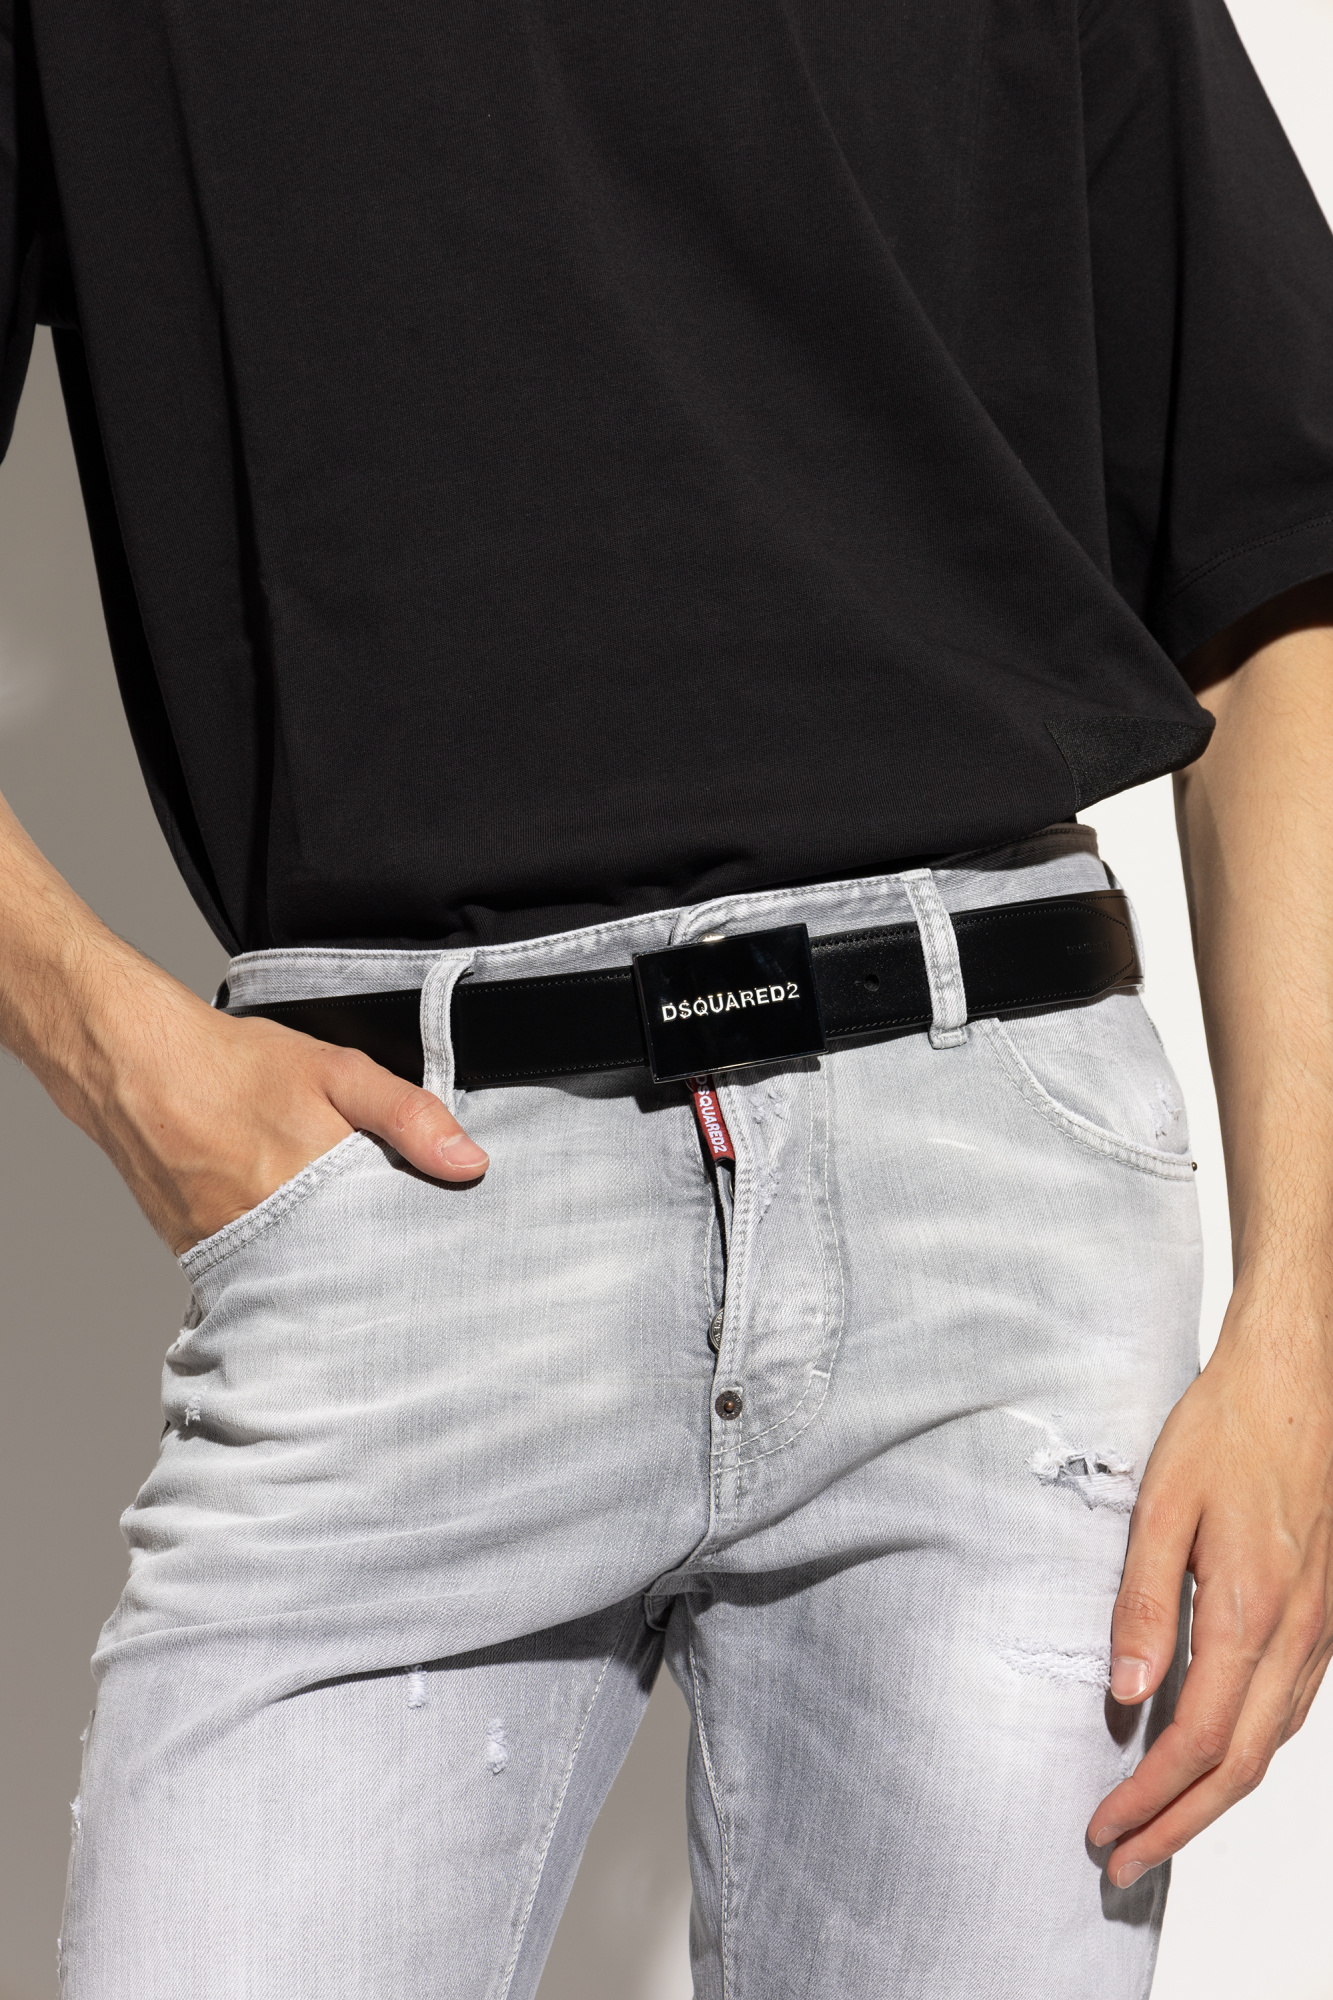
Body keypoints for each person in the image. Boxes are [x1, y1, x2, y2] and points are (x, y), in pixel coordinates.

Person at [1, 0, 1331, 1992]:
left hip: (991, 1216)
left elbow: (1278, 545)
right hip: (407, 1204)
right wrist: (113, 1048)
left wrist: (1304, 1322)